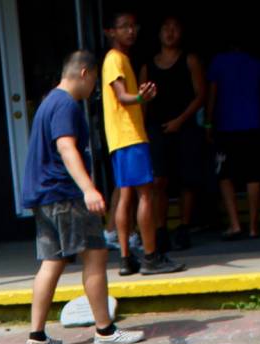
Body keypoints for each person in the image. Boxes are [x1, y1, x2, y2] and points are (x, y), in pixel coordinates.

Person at [18, 51, 148, 344]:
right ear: (85, 72)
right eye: (96, 82)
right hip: (66, 194)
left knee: (52, 261)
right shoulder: (65, 104)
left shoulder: (48, 102)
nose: (95, 90)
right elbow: (66, 147)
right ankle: (105, 330)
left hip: (44, 196)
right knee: (96, 255)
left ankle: (36, 336)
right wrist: (89, 189)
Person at [101, 11, 183, 276]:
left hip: (120, 139)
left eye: (133, 26)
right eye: (123, 27)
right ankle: (150, 256)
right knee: (146, 195)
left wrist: (139, 99)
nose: (131, 31)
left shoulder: (120, 59)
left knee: (126, 196)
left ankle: (126, 259)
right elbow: (123, 97)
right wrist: (140, 98)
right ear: (110, 32)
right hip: (130, 136)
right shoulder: (115, 59)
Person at [141, 15, 209, 250]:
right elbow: (143, 102)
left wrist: (180, 121)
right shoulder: (147, 66)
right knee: (159, 181)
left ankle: (183, 227)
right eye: (165, 28)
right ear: (158, 33)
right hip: (156, 129)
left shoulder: (189, 60)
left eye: (175, 28)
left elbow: (201, 95)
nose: (170, 33)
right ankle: (160, 229)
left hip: (185, 126)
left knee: (186, 181)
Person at [207, 46, 260, 239]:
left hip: (226, 127)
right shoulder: (254, 61)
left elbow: (212, 95)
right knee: (254, 176)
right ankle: (253, 227)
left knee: (225, 176)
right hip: (253, 125)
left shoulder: (218, 62)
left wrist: (208, 123)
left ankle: (235, 225)